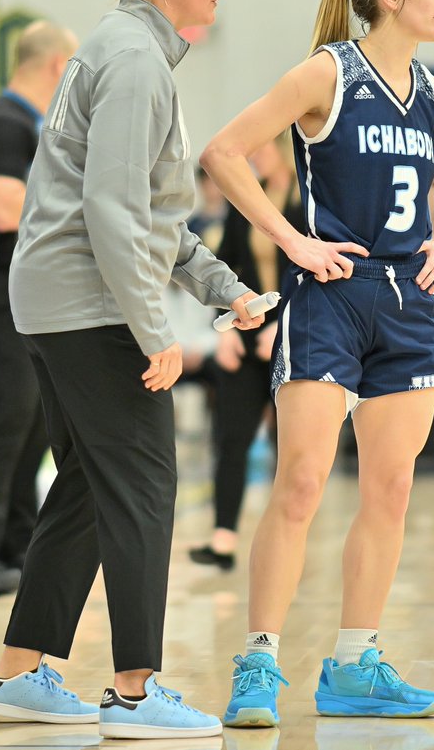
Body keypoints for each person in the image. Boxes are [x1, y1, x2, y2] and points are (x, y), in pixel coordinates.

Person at [0, 0, 263, 740]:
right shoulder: (133, 59)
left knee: (92, 487)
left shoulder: (125, 47)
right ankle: (134, 692)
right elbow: (111, 212)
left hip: (56, 298)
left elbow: (149, 218)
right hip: (88, 305)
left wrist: (228, 290)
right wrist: (156, 331)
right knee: (143, 486)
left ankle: (17, 674)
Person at [201, 0, 434, 727]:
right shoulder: (329, 72)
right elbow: (225, 152)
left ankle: (355, 662)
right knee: (303, 481)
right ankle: (258, 660)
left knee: (391, 487)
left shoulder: (431, 89)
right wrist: (293, 241)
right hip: (331, 295)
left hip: (406, 302)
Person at [0, 20, 79, 596]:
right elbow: (2, 206)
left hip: (24, 287)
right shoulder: (4, 122)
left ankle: (15, 541)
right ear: (56, 66)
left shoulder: (28, 124)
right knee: (3, 417)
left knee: (30, 421)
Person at [189, 133, 304, 571]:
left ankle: (286, 544)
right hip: (248, 330)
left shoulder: (306, 202)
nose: (254, 157)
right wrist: (226, 329)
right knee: (231, 435)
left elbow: (318, 275)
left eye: (261, 149)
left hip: (294, 336)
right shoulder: (246, 204)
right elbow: (227, 268)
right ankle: (223, 540)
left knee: (288, 447)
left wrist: (282, 328)